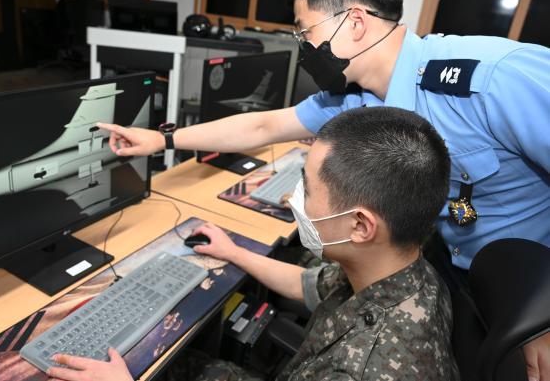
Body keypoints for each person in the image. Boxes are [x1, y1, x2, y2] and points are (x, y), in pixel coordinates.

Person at [96, 0, 550, 377]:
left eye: (304, 30)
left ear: (353, 21)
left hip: (529, 296)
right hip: (454, 280)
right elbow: (261, 128)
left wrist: (544, 310)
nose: (302, 44)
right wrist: (162, 138)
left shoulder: (492, 79)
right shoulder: (355, 100)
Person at [47, 106, 460, 381]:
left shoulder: (362, 369)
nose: (294, 199)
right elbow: (310, 286)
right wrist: (234, 253)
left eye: (307, 188)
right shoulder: (409, 273)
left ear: (360, 225)